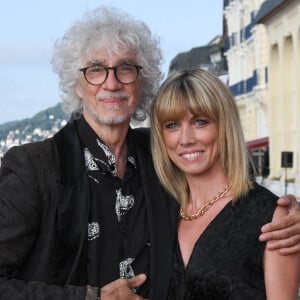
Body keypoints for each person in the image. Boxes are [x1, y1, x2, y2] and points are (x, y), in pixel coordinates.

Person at [0, 6, 299, 300]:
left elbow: (227, 184)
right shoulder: (33, 168)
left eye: (126, 68)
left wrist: (287, 215)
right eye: (95, 70)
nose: (112, 82)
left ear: (142, 82)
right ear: (77, 85)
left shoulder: (158, 155)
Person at [150, 69, 300, 299]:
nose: (186, 139)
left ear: (224, 126)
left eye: (200, 122)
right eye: (172, 125)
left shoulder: (272, 216)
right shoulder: (161, 210)